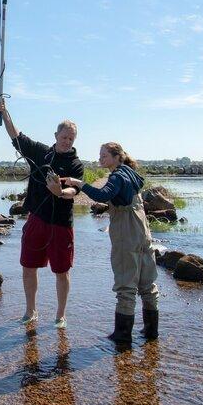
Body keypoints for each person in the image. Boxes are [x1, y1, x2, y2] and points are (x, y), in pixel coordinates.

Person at [0, 98, 85, 329]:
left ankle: (60, 315)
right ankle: (30, 310)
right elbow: (16, 136)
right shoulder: (40, 152)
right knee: (28, 265)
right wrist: (5, 113)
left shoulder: (76, 164)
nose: (66, 141)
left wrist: (60, 191)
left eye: (71, 139)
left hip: (61, 224)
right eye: (63, 137)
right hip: (37, 219)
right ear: (55, 135)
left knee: (62, 271)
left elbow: (74, 190)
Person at [63, 142, 159, 344]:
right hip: (143, 229)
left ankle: (122, 336)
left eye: (104, 156)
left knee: (126, 284)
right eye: (100, 156)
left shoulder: (116, 176)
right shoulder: (130, 172)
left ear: (116, 157)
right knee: (147, 282)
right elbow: (127, 193)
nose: (100, 159)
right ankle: (151, 332)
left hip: (126, 230)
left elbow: (103, 194)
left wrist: (79, 183)